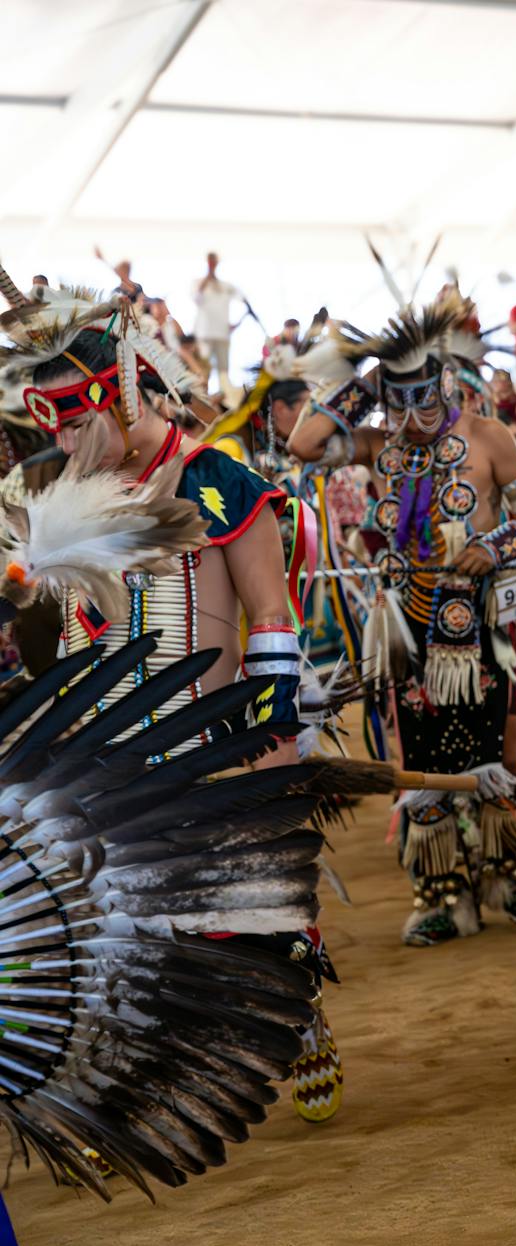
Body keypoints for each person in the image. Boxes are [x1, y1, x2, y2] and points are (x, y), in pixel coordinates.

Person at [2, 273, 344, 1123]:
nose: (70, 443)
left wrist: (272, 742)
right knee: (132, 922)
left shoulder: (215, 481)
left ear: (120, 391)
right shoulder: (62, 502)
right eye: (58, 426)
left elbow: (270, 611)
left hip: (216, 738)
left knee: (248, 909)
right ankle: (161, 1066)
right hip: (109, 752)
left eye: (80, 420)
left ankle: (296, 1010)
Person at [289, 290, 516, 944]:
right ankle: (440, 892)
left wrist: (492, 546)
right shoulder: (378, 445)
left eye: (424, 397)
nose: (413, 415)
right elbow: (302, 442)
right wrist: (363, 383)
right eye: (397, 399)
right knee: (421, 755)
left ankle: (511, 875)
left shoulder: (487, 436)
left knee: (500, 747)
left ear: (446, 382)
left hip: (481, 628)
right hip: (407, 630)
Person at [193, 252, 246, 395]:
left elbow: (244, 300)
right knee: (203, 368)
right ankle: (203, 395)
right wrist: (207, 277)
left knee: (223, 370)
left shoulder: (226, 286)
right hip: (204, 334)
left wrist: (237, 323)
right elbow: (196, 298)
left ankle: (224, 397)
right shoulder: (198, 282)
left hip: (223, 334)